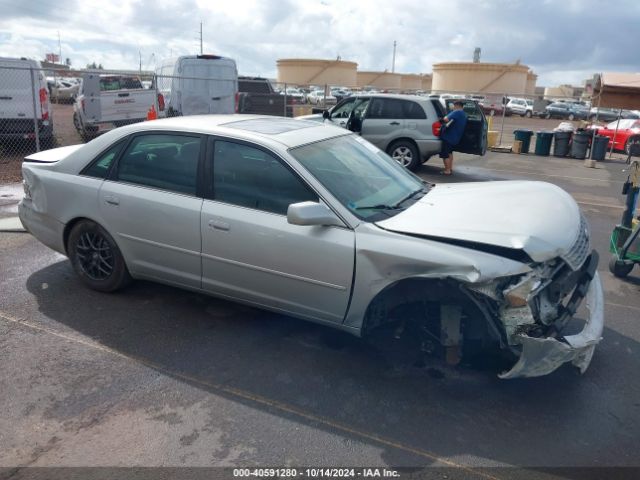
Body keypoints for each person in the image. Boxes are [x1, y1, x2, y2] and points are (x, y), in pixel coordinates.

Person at [439, 100, 468, 175]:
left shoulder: (457, 112)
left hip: (448, 137)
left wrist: (445, 117)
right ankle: (450, 169)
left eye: (454, 106)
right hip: (455, 138)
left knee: (445, 154)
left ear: (457, 106)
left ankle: (447, 170)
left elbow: (446, 119)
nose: (453, 108)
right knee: (449, 153)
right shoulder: (463, 114)